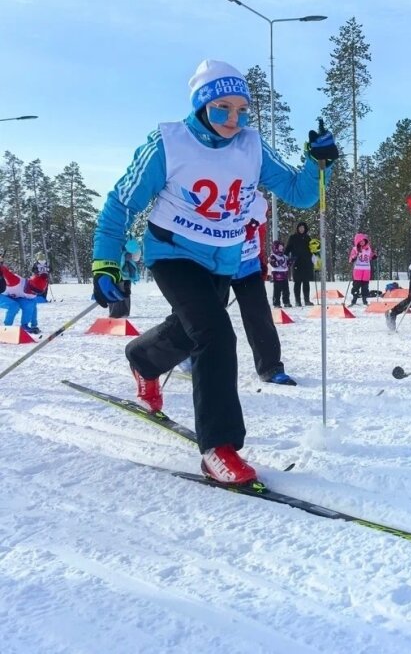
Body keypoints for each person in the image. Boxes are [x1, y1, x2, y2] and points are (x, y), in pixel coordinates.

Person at [91, 59, 336, 485]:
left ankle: (143, 360)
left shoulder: (252, 147)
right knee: (216, 333)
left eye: (242, 111)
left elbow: (299, 194)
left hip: (222, 259)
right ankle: (219, 448)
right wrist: (106, 261)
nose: (233, 120)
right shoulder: (169, 143)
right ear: (202, 105)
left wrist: (320, 163)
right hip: (173, 254)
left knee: (190, 330)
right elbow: (121, 204)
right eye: (223, 109)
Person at [231, 191, 296, 386]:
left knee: (260, 318)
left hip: (248, 267)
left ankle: (270, 367)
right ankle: (188, 357)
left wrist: (261, 260)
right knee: (205, 318)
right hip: (217, 267)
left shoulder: (258, 201)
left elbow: (259, 235)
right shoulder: (220, 187)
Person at [0, 260, 46, 334]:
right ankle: (6, 327)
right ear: (30, 283)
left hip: (13, 296)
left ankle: (24, 325)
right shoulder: (15, 281)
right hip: (2, 295)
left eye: (37, 292)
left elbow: (33, 307)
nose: (34, 292)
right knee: (14, 306)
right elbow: (5, 271)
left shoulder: (32, 294)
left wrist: (34, 325)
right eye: (33, 290)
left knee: (29, 304)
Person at [109, 239, 142, 319]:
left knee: (122, 292)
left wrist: (127, 255)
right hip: (116, 271)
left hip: (124, 273)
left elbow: (136, 256)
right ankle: (117, 313)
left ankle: (120, 314)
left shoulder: (128, 240)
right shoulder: (113, 240)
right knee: (116, 292)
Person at [285, 222, 315, 306]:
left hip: (307, 263)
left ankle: (307, 300)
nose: (302, 229)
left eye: (303, 228)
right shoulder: (293, 237)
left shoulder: (308, 238)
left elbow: (312, 248)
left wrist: (314, 255)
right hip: (297, 262)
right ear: (297, 228)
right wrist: (284, 256)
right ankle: (297, 301)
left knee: (306, 282)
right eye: (300, 227)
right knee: (297, 282)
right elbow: (288, 248)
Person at [349, 233, 376, 306]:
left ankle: (365, 300)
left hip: (366, 270)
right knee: (356, 285)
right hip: (358, 270)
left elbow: (371, 256)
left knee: (365, 286)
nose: (362, 242)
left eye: (363, 241)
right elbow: (351, 259)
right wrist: (354, 257)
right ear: (357, 242)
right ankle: (354, 300)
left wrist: (374, 256)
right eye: (360, 241)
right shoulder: (355, 249)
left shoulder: (368, 249)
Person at [268, 241, 291, 308]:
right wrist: (278, 262)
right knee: (277, 290)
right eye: (280, 248)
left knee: (286, 290)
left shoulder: (284, 256)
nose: (281, 250)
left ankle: (286, 302)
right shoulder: (273, 256)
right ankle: (276, 303)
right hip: (277, 274)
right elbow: (274, 264)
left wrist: (290, 262)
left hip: (284, 274)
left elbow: (286, 265)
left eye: (282, 249)